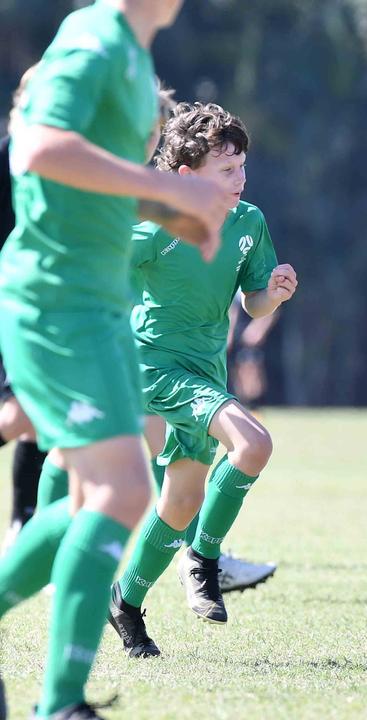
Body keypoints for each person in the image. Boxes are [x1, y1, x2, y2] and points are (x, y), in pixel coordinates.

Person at [0, 0, 225, 716]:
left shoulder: (133, 55)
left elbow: (95, 191)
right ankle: (61, 703)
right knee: (124, 492)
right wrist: (166, 187)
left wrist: (172, 213)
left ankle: (59, 701)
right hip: (59, 302)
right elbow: (35, 148)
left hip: (102, 307)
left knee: (83, 498)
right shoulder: (95, 40)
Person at [105, 102, 296, 658]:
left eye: (242, 167)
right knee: (254, 443)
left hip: (207, 368)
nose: (240, 180)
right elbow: (98, 269)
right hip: (153, 367)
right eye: (226, 170)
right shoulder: (156, 223)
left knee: (183, 499)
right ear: (186, 177)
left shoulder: (248, 222)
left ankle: (126, 601)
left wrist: (275, 293)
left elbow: (254, 304)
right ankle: (204, 560)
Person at [0, 66, 46, 554]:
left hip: (39, 301)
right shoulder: (8, 154)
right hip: (10, 298)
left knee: (36, 415)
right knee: (20, 416)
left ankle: (23, 522)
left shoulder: (56, 161)